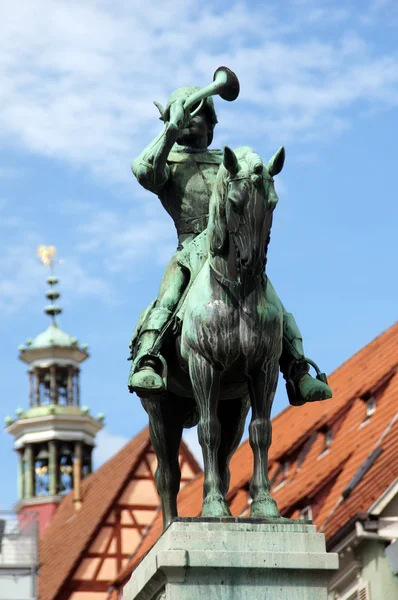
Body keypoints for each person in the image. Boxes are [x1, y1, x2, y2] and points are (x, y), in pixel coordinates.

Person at [128, 86, 332, 406]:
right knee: (167, 299)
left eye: (198, 112)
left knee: (273, 304)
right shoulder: (167, 160)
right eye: (184, 113)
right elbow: (143, 171)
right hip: (189, 251)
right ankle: (148, 359)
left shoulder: (225, 161)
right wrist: (169, 129)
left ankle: (297, 369)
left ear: (211, 122)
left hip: (231, 250)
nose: (191, 119)